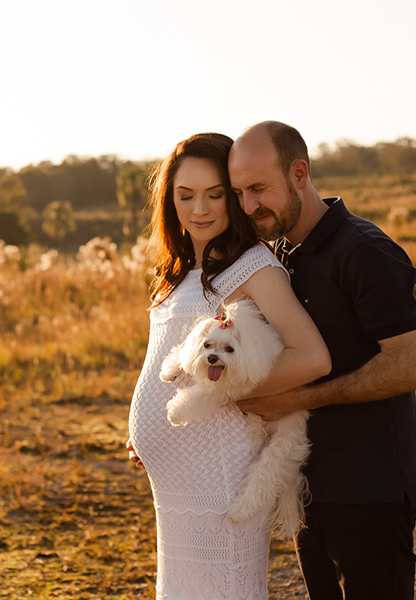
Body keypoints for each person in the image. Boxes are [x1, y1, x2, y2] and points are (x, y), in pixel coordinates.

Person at [227, 121, 416, 599]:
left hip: (371, 489)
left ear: (299, 174)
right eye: (238, 193)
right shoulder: (276, 255)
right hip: (305, 486)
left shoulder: (365, 251)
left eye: (259, 188)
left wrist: (301, 398)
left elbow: (413, 366)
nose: (248, 205)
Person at [126, 132, 331, 599]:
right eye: (186, 195)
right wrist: (144, 427)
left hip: (221, 468)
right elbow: (166, 359)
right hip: (174, 477)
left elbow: (312, 356)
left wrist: (220, 389)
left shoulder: (252, 266)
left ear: (233, 198)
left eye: (214, 195)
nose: (199, 209)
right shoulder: (177, 270)